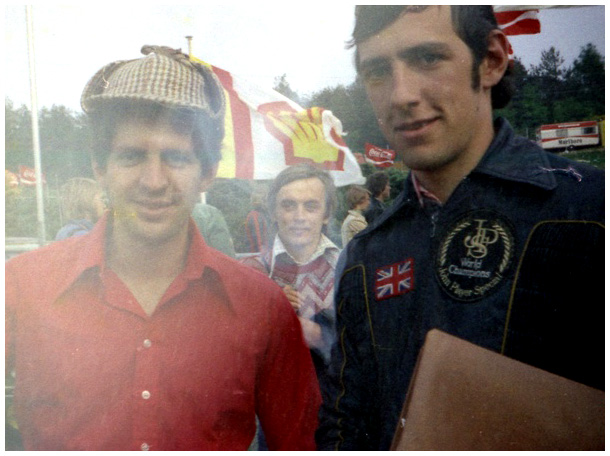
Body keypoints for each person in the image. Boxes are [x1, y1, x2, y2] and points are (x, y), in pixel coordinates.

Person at [317, 6, 604, 451]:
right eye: (377, 71)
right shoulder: (367, 254)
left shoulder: (592, 212)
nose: (401, 94)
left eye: (427, 58)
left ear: (491, 60)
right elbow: (344, 425)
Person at [6, 45, 321, 451]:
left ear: (207, 171)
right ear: (99, 166)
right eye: (132, 156)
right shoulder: (19, 289)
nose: (153, 181)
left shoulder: (263, 307)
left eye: (175, 158)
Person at [244, 187, 270, 252]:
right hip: (257, 256)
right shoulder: (255, 216)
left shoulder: (264, 214)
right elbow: (259, 241)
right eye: (267, 200)